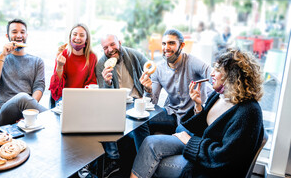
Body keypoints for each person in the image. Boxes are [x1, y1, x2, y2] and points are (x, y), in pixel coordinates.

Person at [131, 49, 265, 178]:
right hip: (201, 148)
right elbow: (207, 129)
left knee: (152, 162)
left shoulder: (249, 112)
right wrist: (198, 105)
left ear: (233, 77)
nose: (212, 72)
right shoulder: (219, 95)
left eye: (218, 70)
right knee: (149, 143)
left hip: (210, 168)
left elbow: (223, 159)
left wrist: (190, 141)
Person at [138, 29, 213, 147]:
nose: (166, 48)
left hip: (192, 117)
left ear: (182, 45)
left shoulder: (193, 62)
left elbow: (213, 75)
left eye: (171, 43)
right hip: (171, 114)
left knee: (182, 131)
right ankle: (143, 153)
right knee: (140, 121)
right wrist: (148, 89)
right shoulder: (158, 70)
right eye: (164, 43)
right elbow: (152, 103)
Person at [95, 34, 152, 177]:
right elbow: (104, 97)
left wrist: (148, 86)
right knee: (104, 115)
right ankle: (114, 160)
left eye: (112, 44)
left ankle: (144, 164)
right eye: (105, 47)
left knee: (139, 122)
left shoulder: (134, 55)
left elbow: (151, 72)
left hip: (136, 101)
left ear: (119, 42)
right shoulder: (101, 64)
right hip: (116, 104)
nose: (110, 49)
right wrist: (107, 83)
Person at [0, 19, 47, 126]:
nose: (19, 35)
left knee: (24, 98)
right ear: (7, 36)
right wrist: (3, 56)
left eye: (22, 32)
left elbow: (39, 87)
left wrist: (28, 113)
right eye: (14, 32)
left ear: (26, 35)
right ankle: (55, 120)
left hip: (28, 109)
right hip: (2, 112)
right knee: (22, 97)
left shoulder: (37, 61)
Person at [49, 23, 97, 108]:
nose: (78, 38)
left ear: (86, 39)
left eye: (81, 35)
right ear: (70, 37)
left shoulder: (92, 57)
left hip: (83, 99)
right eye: (74, 34)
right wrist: (59, 66)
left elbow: (92, 83)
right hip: (63, 98)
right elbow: (56, 88)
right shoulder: (63, 54)